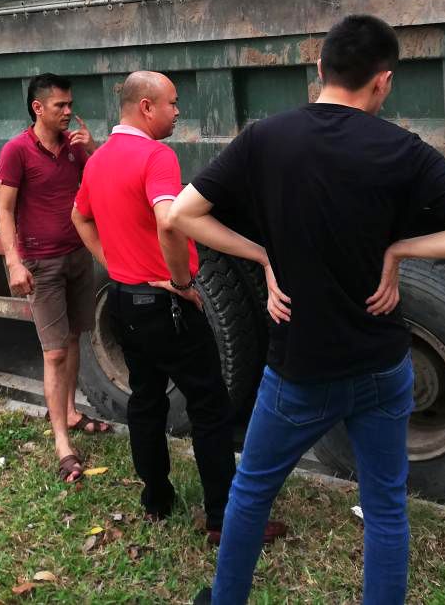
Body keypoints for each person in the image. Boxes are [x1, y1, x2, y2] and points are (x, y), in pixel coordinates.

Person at [169, 14, 445, 605]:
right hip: (382, 365)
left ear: (319, 68)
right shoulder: (403, 149)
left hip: (299, 369)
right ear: (383, 81)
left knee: (251, 492)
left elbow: (182, 214)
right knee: (386, 507)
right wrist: (399, 249)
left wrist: (263, 256)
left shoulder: (265, 138)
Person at [70, 71, 285, 545]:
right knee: (210, 406)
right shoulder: (156, 156)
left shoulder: (98, 159)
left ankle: (157, 500)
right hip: (165, 304)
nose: (178, 111)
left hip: (126, 300)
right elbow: (169, 221)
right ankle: (222, 518)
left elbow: (79, 217)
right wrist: (183, 283)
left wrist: (114, 264)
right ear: (146, 107)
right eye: (172, 102)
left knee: (146, 400)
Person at [0, 73, 107, 484]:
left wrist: (92, 150)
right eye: (60, 105)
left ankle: (71, 413)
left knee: (74, 338)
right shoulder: (16, 151)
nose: (68, 112)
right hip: (41, 263)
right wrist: (14, 262)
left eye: (70, 103)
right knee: (54, 352)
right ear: (38, 108)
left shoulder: (75, 147)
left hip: (77, 256)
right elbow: (4, 210)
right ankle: (62, 442)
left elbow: (104, 183)